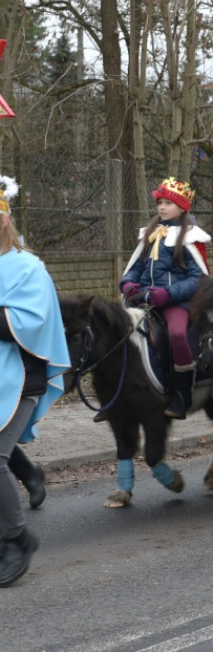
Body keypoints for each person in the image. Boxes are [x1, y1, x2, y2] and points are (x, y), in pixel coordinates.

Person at [0, 176, 70, 587]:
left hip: (20, 376)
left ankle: (17, 539)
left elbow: (27, 324)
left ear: (5, 220)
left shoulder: (28, 268)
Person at [120, 177, 210, 419]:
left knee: (177, 334)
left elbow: (197, 278)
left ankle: (182, 393)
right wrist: (128, 282)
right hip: (143, 298)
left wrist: (168, 293)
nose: (162, 207)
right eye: (160, 202)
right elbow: (136, 267)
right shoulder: (150, 233)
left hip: (175, 302)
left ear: (182, 208)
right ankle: (119, 393)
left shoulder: (191, 237)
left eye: (168, 203)